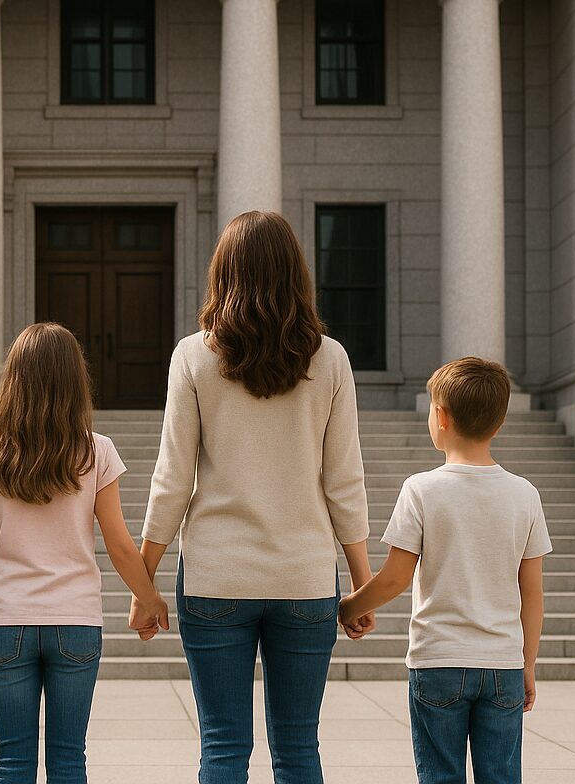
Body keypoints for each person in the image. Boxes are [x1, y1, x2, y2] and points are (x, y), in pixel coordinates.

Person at [134, 210, 373, 784]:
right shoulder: (331, 358)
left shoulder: (194, 357)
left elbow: (173, 479)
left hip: (216, 576)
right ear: (296, 274)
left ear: (224, 273)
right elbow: (345, 481)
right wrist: (362, 584)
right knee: (297, 749)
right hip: (304, 576)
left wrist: (144, 586)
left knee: (222, 747)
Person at [0, 322, 169, 784]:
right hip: (76, 620)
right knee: (68, 760)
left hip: (8, 620)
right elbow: (119, 544)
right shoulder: (96, 451)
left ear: (13, 381)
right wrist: (149, 597)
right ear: (75, 383)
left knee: (13, 762)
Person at [339, 356, 550, 784]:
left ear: (440, 416)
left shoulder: (421, 489)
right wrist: (527, 663)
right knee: (502, 776)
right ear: (501, 421)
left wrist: (348, 608)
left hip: (438, 660)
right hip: (503, 665)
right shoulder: (525, 494)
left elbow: (396, 578)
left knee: (439, 775)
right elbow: (532, 593)